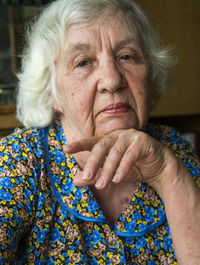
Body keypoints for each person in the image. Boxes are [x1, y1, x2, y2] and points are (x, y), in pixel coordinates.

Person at [0, 0, 200, 263]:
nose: (112, 79)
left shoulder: (173, 150)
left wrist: (169, 176)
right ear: (51, 92)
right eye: (83, 62)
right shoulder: (19, 159)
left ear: (149, 74)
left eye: (127, 56)